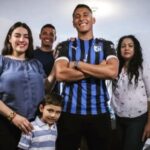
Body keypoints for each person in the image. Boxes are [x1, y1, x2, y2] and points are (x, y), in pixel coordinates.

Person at [54, 4, 119, 150]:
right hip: (70, 112)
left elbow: (112, 72)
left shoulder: (106, 45)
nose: (81, 18)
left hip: (99, 112)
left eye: (85, 15)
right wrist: (99, 69)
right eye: (77, 16)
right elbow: (60, 74)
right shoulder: (64, 46)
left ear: (93, 19)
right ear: (73, 23)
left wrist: (77, 63)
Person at [0, 22, 54, 150]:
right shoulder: (2, 61)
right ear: (9, 38)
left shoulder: (36, 63)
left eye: (26, 36)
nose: (22, 40)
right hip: (7, 125)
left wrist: (57, 65)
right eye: (17, 35)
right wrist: (13, 117)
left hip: (35, 127)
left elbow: (46, 88)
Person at [111, 35, 150, 150]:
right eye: (123, 46)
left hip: (138, 119)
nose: (126, 48)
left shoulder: (143, 67)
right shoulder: (115, 68)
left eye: (130, 46)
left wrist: (149, 123)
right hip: (119, 118)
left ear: (135, 49)